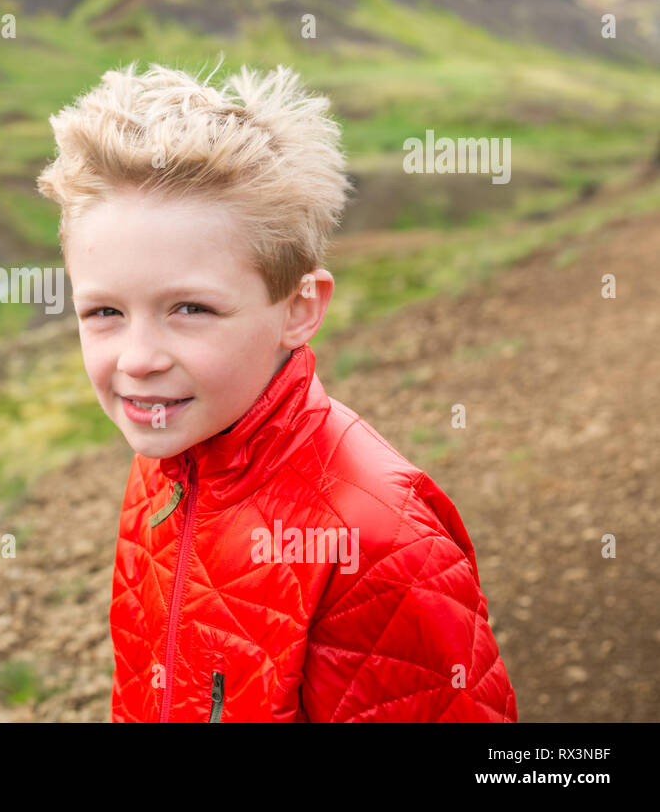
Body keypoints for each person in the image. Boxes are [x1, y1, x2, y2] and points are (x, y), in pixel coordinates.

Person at [36, 58, 517, 722]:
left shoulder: (379, 544)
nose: (138, 360)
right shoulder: (168, 467)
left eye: (190, 309)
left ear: (299, 307)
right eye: (105, 313)